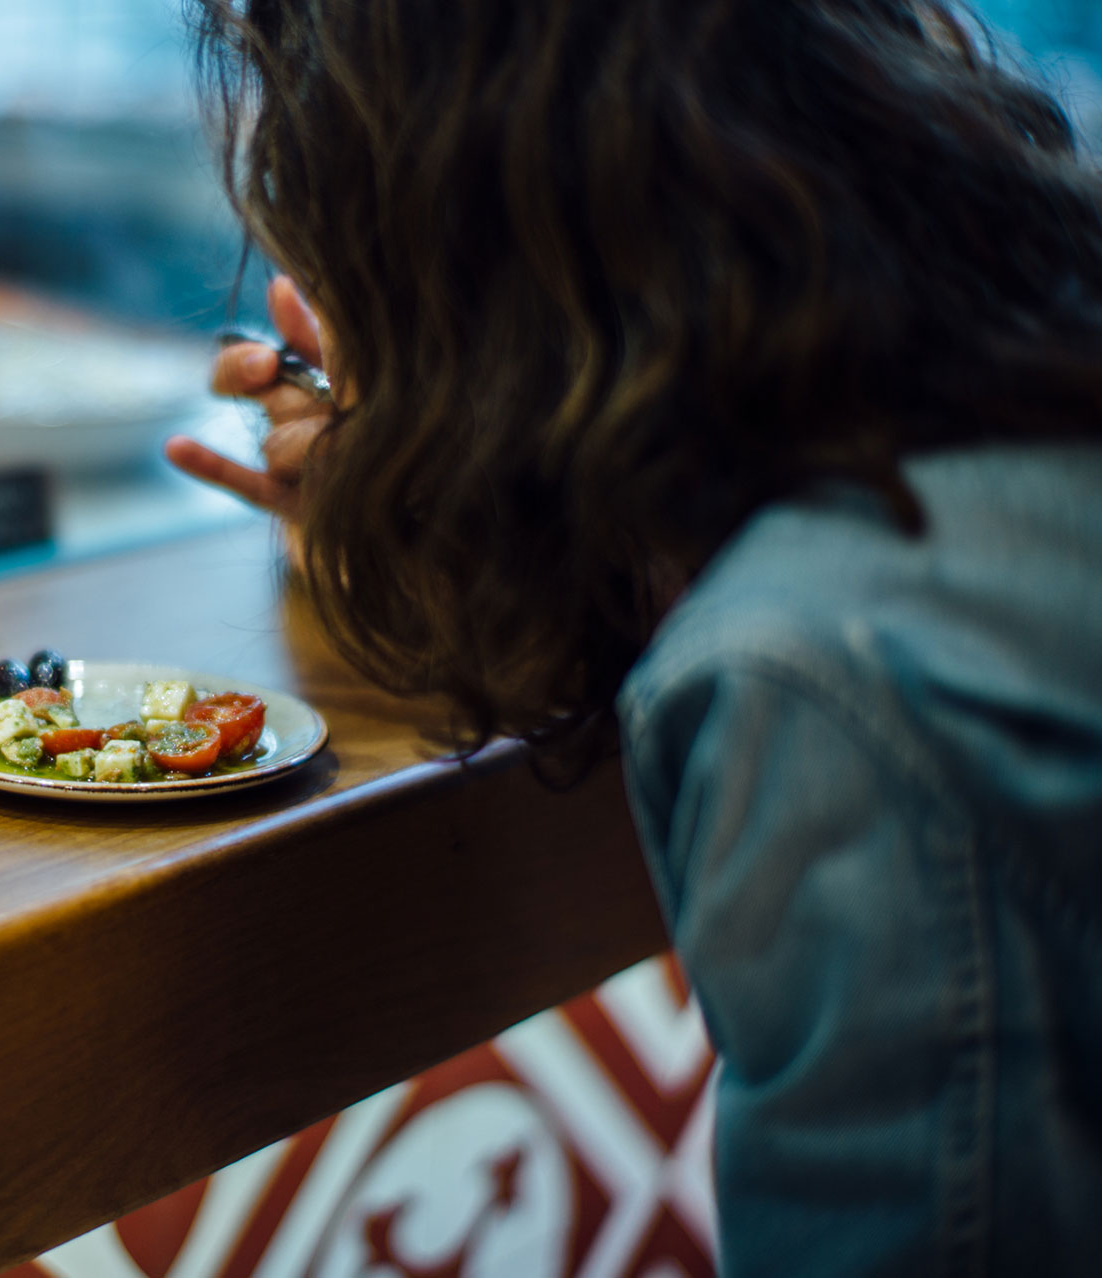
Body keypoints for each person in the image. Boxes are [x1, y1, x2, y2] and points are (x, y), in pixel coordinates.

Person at [166, 1, 1102, 1273]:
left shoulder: (816, 687)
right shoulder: (1008, 360)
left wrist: (452, 440)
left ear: (455, 240)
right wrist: (451, 496)